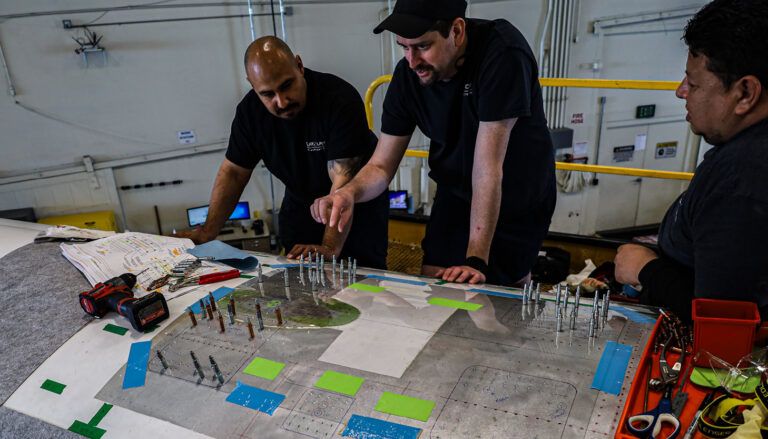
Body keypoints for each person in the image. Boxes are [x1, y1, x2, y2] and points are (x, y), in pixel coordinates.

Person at [311, 0, 555, 286]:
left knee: (499, 294)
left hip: (515, 193)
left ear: (457, 31)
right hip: (455, 190)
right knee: (436, 279)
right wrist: (349, 193)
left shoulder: (503, 54)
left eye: (423, 47)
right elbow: (380, 165)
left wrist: (475, 260)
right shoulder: (409, 76)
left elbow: (488, 169)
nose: (412, 61)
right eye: (404, 47)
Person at [614, 0, 768, 320]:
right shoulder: (743, 153)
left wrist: (644, 268)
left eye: (694, 83)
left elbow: (722, 325)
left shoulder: (741, 183)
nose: (681, 91)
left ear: (745, 93)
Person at [178, 36, 388, 269]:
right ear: (252, 84)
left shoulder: (338, 99)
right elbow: (234, 173)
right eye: (267, 94)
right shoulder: (250, 114)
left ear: (299, 66)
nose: (281, 101)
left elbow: (341, 179)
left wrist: (330, 247)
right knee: (299, 280)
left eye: (287, 85)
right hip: (300, 204)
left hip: (352, 208)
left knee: (362, 285)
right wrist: (207, 232)